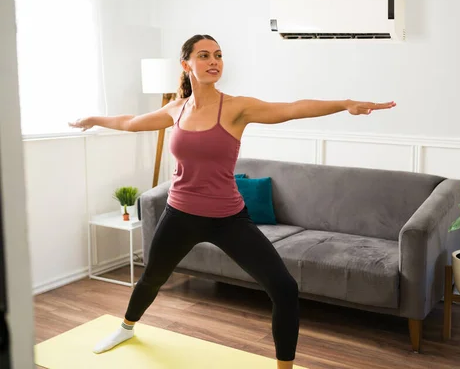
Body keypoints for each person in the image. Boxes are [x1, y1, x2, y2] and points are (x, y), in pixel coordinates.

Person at [69, 34, 396, 369]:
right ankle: (126, 327)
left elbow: (293, 108)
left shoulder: (236, 107)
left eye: (219, 55)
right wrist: (94, 119)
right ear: (186, 64)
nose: (214, 62)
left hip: (228, 219)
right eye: (205, 55)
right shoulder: (176, 109)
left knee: (283, 288)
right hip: (180, 214)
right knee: (152, 276)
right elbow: (130, 123)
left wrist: (344, 104)